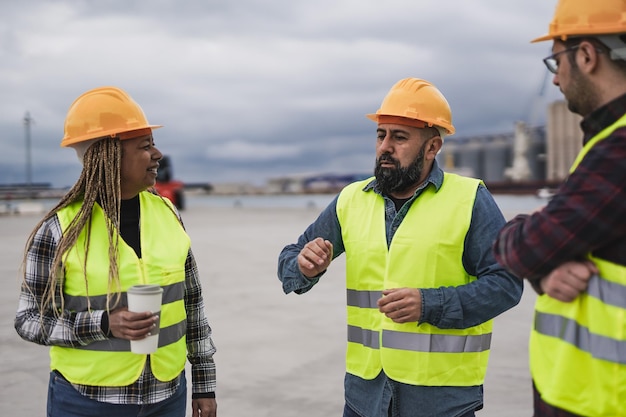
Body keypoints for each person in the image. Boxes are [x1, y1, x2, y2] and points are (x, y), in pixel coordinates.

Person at [277, 77, 523, 417]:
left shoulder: (470, 200)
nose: (385, 147)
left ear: (432, 147)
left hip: (441, 403)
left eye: (400, 137)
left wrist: (429, 304)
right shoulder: (351, 200)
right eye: (381, 135)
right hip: (364, 399)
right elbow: (291, 257)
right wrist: (303, 267)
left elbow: (507, 285)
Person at [14, 86, 217, 417]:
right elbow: (29, 320)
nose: (158, 154)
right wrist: (105, 324)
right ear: (108, 155)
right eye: (145, 145)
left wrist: (205, 385)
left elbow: (193, 306)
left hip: (168, 397)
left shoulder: (168, 214)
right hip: (85, 402)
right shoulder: (59, 230)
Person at [493, 1, 626, 415]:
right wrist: (547, 269)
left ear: (586, 55)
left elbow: (524, 247)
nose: (556, 81)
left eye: (556, 63)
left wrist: (533, 251)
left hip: (604, 399)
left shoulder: (618, 150)